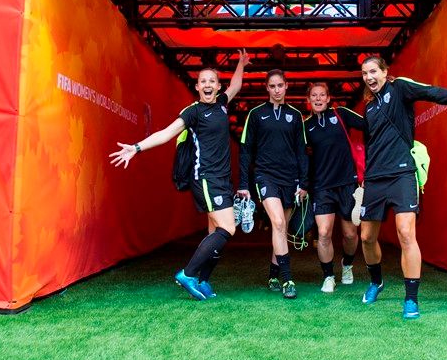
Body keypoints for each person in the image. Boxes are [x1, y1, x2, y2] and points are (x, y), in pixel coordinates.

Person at [358, 56, 447, 320]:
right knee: (366, 237)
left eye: (373, 71)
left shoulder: (399, 88)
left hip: (402, 173)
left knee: (405, 232)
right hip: (375, 178)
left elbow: (431, 92)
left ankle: (411, 299)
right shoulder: (370, 108)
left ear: (385, 72)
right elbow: (371, 145)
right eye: (365, 73)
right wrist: (366, 174)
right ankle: (376, 282)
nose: (369, 77)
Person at [109, 49, 250, 301]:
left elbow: (237, 85)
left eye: (212, 81)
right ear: (197, 87)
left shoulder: (220, 105)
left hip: (221, 179)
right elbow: (166, 133)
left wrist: (241, 63)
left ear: (218, 87)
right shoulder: (193, 112)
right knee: (228, 228)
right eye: (203, 81)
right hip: (205, 178)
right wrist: (137, 147)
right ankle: (188, 273)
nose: (207, 84)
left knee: (214, 233)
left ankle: (203, 280)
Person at [238, 69, 309, 299]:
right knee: (277, 222)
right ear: (267, 88)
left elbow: (302, 152)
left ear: (286, 86)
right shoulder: (256, 114)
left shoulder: (296, 115)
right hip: (265, 176)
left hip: (290, 179)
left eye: (280, 85)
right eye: (272, 86)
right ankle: (288, 279)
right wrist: (243, 184)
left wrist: (303, 183)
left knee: (282, 228)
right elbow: (245, 150)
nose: (277, 90)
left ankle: (273, 274)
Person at [304, 82, 364, 293]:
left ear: (329, 98)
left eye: (322, 95)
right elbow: (300, 157)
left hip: (347, 183)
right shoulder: (306, 126)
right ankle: (328, 276)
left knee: (349, 234)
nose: (318, 99)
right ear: (309, 100)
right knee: (324, 232)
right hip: (321, 186)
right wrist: (303, 185)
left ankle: (347, 265)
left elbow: (370, 125)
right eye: (314, 96)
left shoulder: (341, 115)